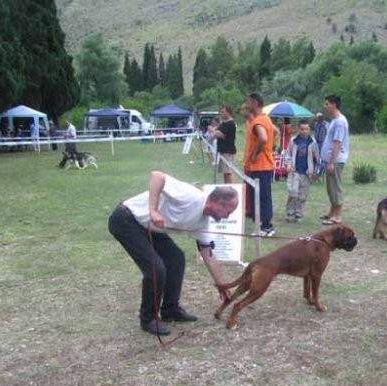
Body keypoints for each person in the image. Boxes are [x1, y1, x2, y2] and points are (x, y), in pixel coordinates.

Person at [108, 171, 239, 336]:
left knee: (176, 259)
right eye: (228, 212)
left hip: (149, 228)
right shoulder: (191, 196)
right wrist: (153, 210)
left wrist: (222, 284)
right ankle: (148, 318)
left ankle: (170, 310)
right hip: (126, 220)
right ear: (219, 202)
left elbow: (207, 251)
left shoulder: (202, 222)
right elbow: (157, 176)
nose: (227, 217)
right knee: (156, 269)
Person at [244, 92, 276, 237]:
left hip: (260, 166)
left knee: (261, 196)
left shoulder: (258, 121)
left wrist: (256, 154)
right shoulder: (266, 119)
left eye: (248, 102)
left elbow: (263, 138)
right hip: (264, 166)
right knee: (263, 195)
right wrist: (270, 147)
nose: (246, 105)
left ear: (255, 103)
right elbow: (274, 132)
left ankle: (267, 227)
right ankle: (264, 225)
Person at [319, 94, 350, 225]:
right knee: (330, 187)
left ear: (334, 105)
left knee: (335, 187)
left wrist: (331, 162)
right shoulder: (334, 120)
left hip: (335, 161)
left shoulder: (340, 122)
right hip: (330, 160)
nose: (325, 107)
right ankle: (332, 212)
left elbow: (337, 143)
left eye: (327, 104)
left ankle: (337, 216)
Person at [284, 119, 319, 222]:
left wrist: (315, 171)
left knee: (302, 194)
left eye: (306, 129)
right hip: (295, 171)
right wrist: (289, 164)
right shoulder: (293, 141)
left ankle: (299, 212)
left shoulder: (312, 142)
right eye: (302, 129)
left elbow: (317, 158)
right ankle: (290, 211)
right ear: (298, 129)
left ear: (309, 130)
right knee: (293, 191)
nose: (304, 131)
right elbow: (288, 154)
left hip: (307, 172)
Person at [213, 106, 236, 184]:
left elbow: (222, 134)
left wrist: (219, 134)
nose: (221, 114)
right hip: (222, 150)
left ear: (228, 113)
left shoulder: (231, 123)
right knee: (225, 172)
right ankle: (226, 186)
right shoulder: (223, 123)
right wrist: (217, 133)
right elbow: (215, 132)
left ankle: (231, 187)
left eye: (223, 112)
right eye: (221, 112)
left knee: (229, 171)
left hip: (228, 150)